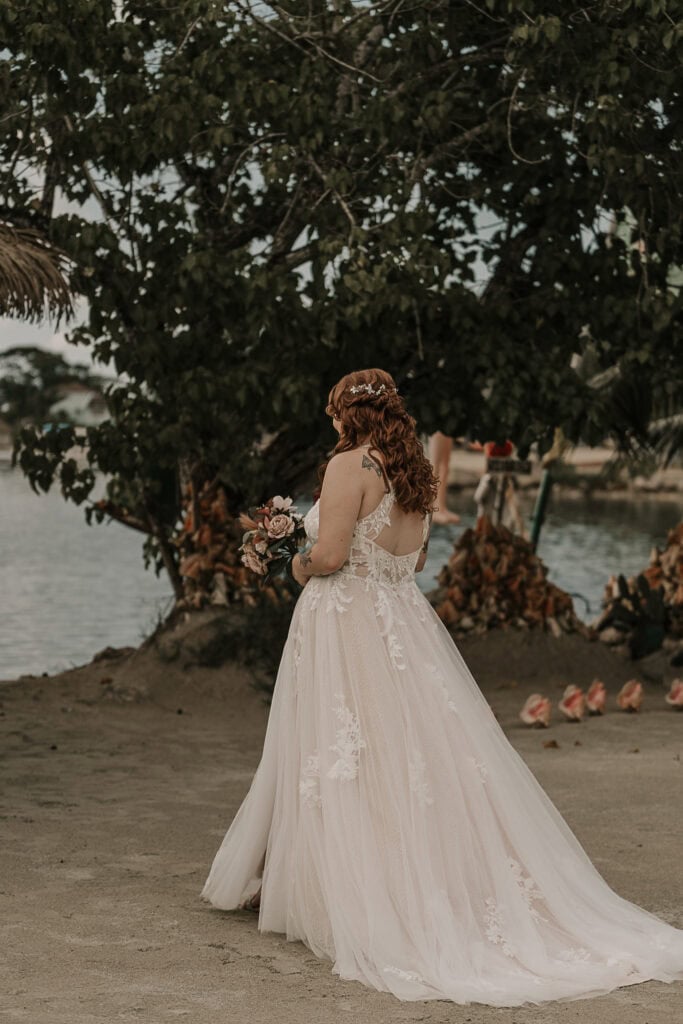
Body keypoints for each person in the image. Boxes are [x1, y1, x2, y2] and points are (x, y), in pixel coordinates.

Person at [201, 368, 683, 1006]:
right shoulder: (413, 470)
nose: (331, 424)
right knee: (410, 753)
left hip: (346, 623)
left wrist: (292, 558)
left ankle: (353, 893)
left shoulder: (349, 464)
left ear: (349, 414)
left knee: (344, 750)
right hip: (402, 619)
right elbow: (415, 558)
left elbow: (333, 556)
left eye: (333, 414)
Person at [427, 431, 461, 524]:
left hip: (446, 424)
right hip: (437, 425)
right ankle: (431, 507)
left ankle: (441, 507)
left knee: (445, 465)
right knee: (435, 465)